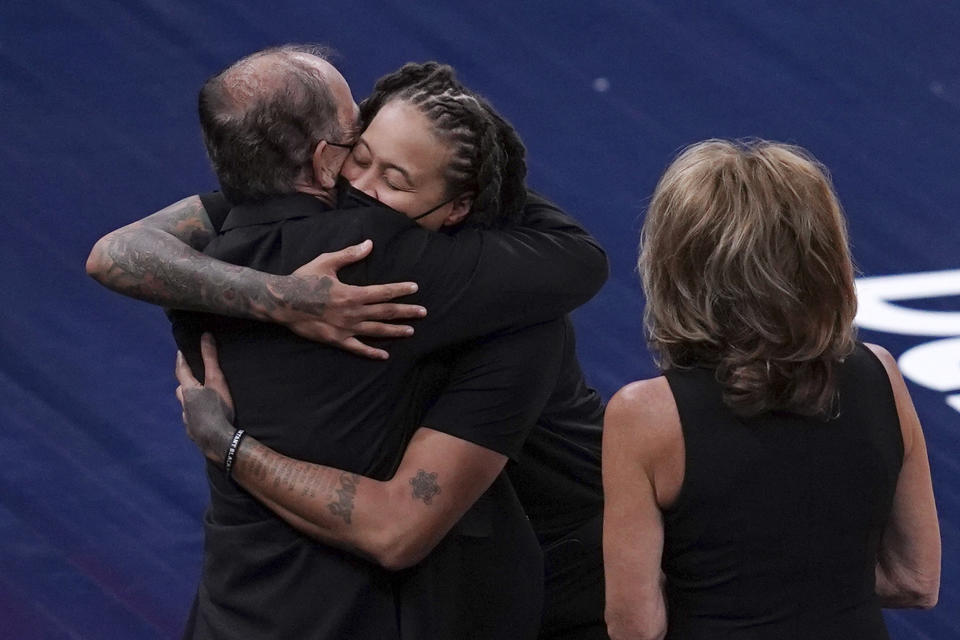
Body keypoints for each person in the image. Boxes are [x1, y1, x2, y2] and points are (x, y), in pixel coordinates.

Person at [87, 48, 606, 639]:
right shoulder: (403, 261)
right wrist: (471, 158)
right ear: (323, 157)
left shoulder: (196, 265)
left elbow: (113, 254)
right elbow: (579, 259)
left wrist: (230, 426)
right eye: (357, 137)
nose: (363, 178)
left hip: (230, 616)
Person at [602, 139, 941, 640]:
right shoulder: (882, 375)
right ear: (825, 261)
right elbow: (915, 580)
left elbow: (636, 627)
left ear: (675, 266)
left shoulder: (645, 415)